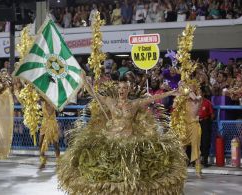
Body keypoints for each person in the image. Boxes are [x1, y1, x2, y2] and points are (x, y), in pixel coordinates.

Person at [57, 74, 187, 194]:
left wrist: (171, 92)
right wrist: (85, 82)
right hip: (111, 140)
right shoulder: (110, 101)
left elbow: (153, 98)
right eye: (119, 87)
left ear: (128, 90)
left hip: (129, 141)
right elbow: (93, 94)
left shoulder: (134, 104)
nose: (121, 90)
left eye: (124, 88)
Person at [39, 100, 60, 169]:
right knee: (40, 143)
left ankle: (58, 161)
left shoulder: (52, 101)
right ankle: (42, 161)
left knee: (55, 144)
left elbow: (50, 112)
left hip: (52, 124)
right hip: (44, 124)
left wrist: (48, 103)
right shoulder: (42, 101)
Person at [199, 87, 214, 167]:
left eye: (200, 92)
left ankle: (205, 161)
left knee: (205, 142)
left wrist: (207, 122)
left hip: (205, 123)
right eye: (197, 92)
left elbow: (212, 115)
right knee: (197, 142)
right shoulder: (195, 102)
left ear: (203, 93)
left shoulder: (207, 102)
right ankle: (195, 161)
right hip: (196, 123)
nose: (199, 93)